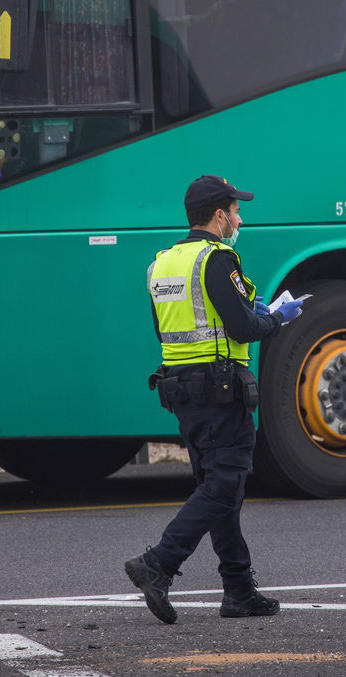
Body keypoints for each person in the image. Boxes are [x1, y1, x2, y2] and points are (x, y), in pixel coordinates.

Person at [124, 175, 305, 625]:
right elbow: (243, 330)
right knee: (224, 484)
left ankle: (239, 590)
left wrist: (251, 310)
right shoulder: (218, 257)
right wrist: (277, 318)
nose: (239, 219)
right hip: (222, 390)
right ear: (219, 215)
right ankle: (159, 563)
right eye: (236, 211)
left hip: (182, 391)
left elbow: (170, 327)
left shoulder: (162, 263)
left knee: (223, 489)